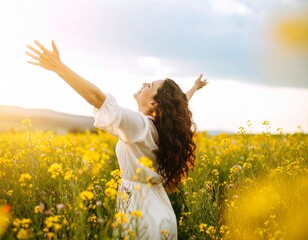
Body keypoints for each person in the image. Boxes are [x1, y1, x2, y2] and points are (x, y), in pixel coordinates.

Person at [26, 40, 208, 239]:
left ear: (154, 103)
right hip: (157, 209)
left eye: (149, 85)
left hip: (143, 215)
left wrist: (59, 68)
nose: (143, 84)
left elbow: (97, 98)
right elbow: (180, 103)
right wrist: (194, 88)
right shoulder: (158, 128)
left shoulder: (140, 125)